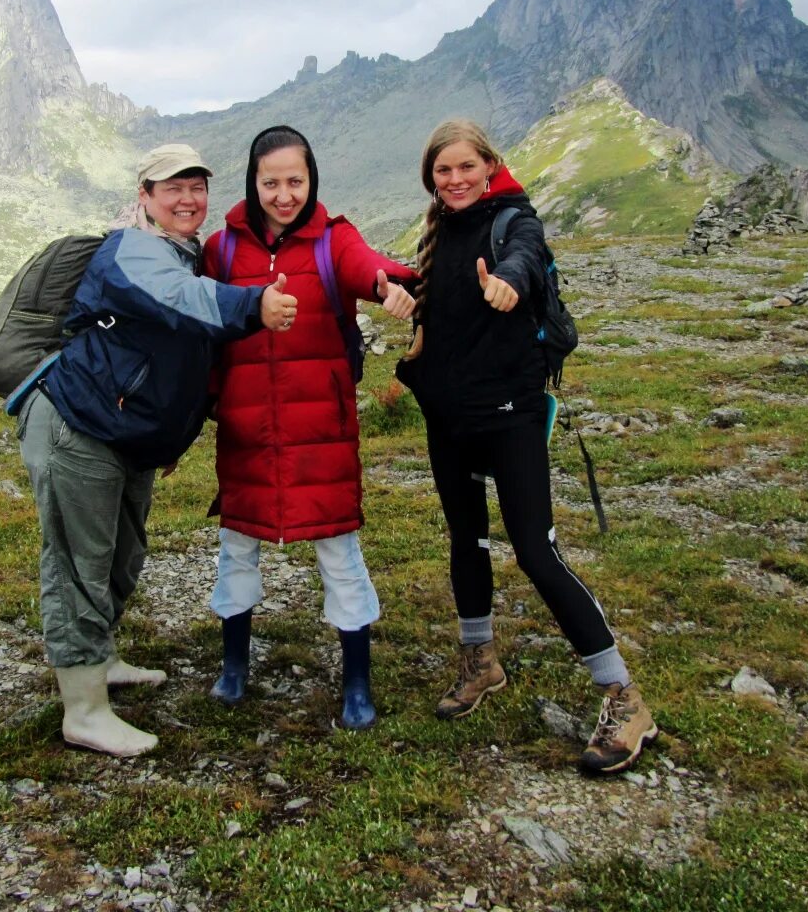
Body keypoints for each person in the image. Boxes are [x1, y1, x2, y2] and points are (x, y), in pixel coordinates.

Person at [14, 144, 297, 757]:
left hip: (126, 436)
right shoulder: (131, 249)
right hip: (77, 426)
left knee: (122, 556)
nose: (187, 198)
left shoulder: (185, 254)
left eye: (196, 186)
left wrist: (177, 430)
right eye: (172, 188)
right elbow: (180, 302)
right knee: (79, 565)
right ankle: (83, 709)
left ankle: (101, 659)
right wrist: (253, 305)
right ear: (144, 196)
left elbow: (184, 356)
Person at [394, 119, 656, 773]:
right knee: (467, 539)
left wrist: (508, 280)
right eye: (442, 171)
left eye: (465, 167)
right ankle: (480, 662)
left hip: (510, 411)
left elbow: (526, 260)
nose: (454, 180)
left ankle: (624, 696)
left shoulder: (515, 220)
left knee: (535, 551)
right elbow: (438, 300)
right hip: (450, 414)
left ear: (490, 166)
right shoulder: (439, 232)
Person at [202, 125, 417, 730]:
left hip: (322, 429)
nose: (284, 195)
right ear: (253, 181)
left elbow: (367, 268)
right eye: (271, 183)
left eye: (295, 181)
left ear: (311, 179)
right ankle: (234, 666)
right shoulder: (221, 250)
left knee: (339, 551)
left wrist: (388, 286)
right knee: (236, 547)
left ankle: (356, 682)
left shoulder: (333, 239)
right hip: (247, 428)